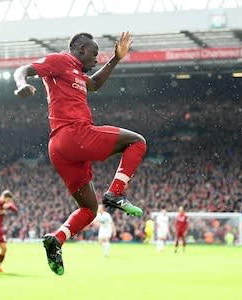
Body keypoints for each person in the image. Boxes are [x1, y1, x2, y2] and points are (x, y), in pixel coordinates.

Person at [13, 31, 146, 275]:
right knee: (137, 142)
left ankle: (56, 239)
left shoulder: (76, 73)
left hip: (60, 149)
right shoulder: (60, 61)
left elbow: (94, 84)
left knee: (89, 209)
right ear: (81, 49)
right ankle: (115, 194)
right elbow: (23, 69)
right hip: (74, 134)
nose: (96, 59)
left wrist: (116, 59)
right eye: (94, 54)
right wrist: (22, 84)